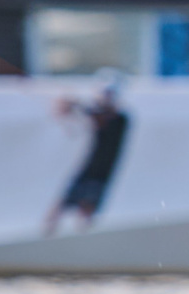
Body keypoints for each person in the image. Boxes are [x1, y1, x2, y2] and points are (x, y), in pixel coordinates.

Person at [43, 70, 131, 237]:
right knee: (62, 205)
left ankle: (83, 238)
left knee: (88, 208)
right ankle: (46, 236)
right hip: (89, 167)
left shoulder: (121, 119)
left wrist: (76, 104)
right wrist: (70, 106)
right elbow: (88, 115)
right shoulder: (99, 113)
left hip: (103, 172)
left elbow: (102, 118)